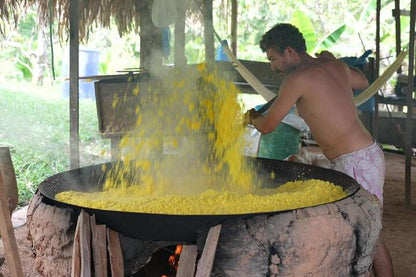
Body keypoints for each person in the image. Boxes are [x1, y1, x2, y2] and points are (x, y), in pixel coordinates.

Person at [245, 23, 393, 276]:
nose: (273, 67)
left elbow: (267, 125)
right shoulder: (332, 65)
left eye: (273, 59)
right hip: (363, 156)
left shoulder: (296, 79)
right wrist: (337, 62)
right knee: (366, 232)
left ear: (290, 51)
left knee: (370, 235)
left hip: (355, 160)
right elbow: (362, 80)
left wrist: (250, 118)